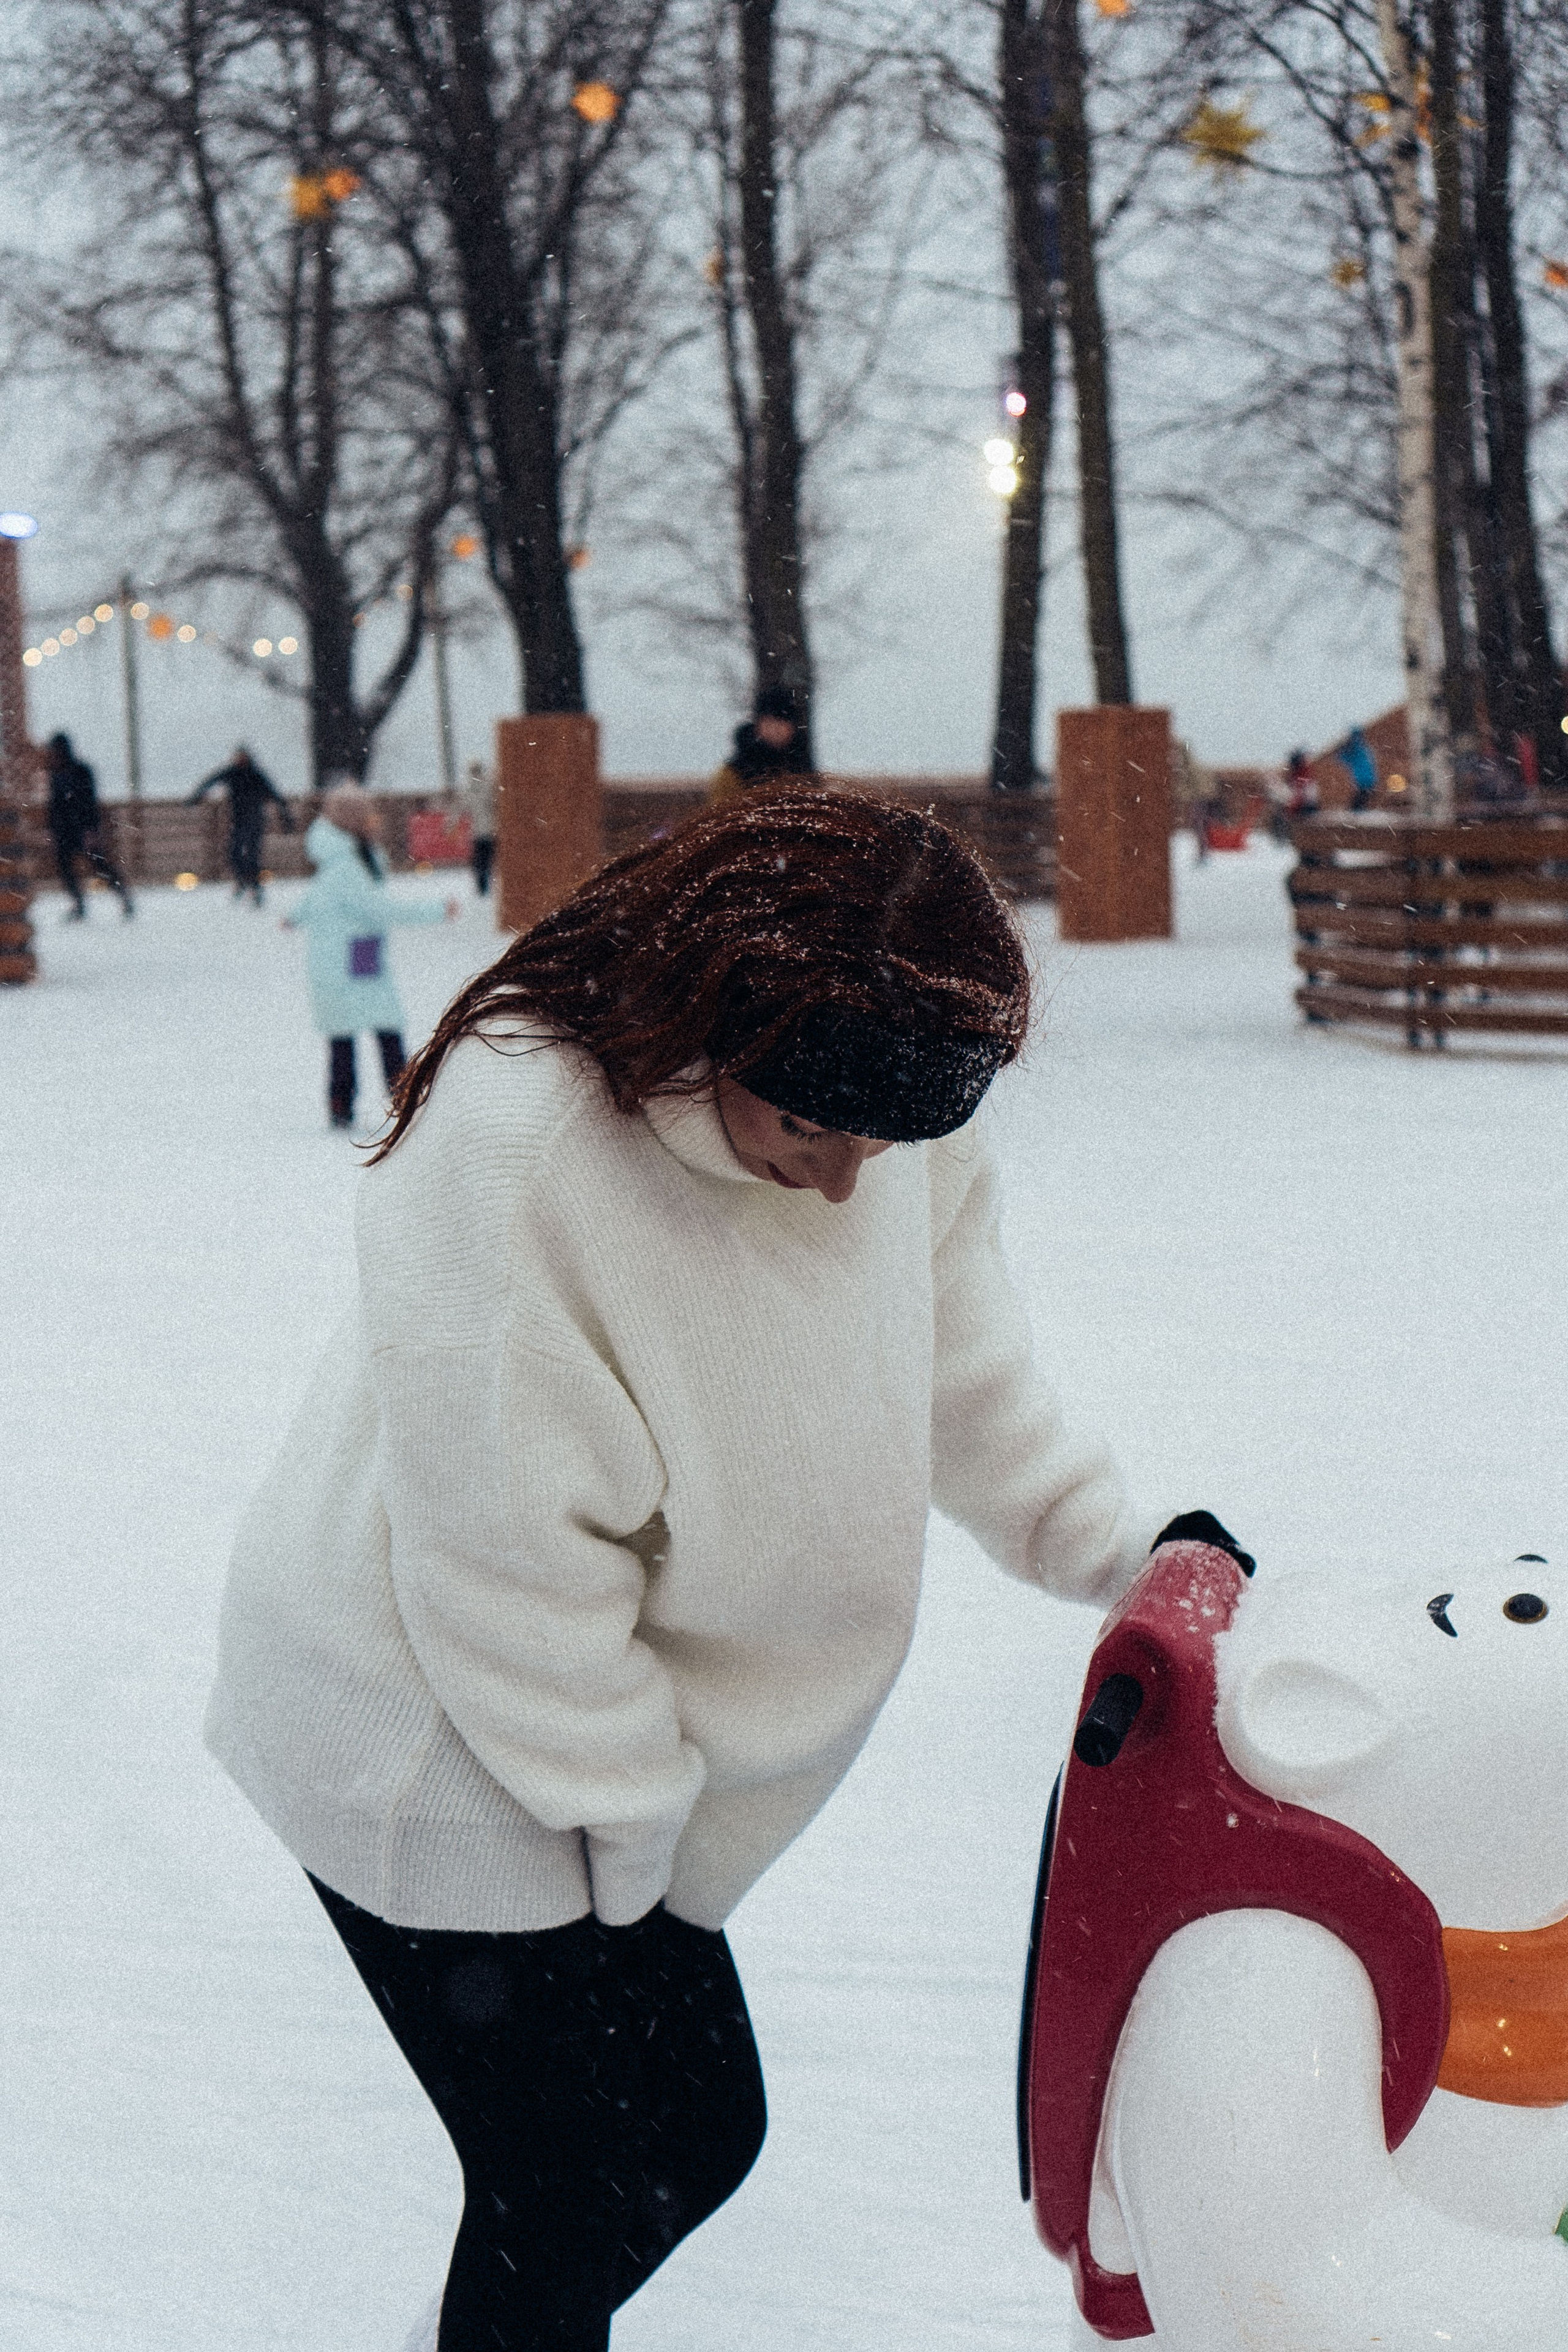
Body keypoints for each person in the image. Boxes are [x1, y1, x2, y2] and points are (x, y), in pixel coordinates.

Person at [205, 785, 1197, 2352]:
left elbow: (962, 1368)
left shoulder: (866, 1078)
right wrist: (628, 1838)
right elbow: (508, 1569)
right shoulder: (523, 1144)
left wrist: (1117, 1545)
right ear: (703, 1021)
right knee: (590, 2171)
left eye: (887, 1136)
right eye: (806, 1127)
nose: (844, 1182)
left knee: (661, 2144)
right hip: (423, 1724)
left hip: (603, 1738)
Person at [281, 783, 458, 1129]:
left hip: (355, 958)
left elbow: (317, 897)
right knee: (375, 1029)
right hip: (345, 962)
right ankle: (396, 1097)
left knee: (362, 1030)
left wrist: (296, 915)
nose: (375, 819)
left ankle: (354, 1101)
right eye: (368, 814)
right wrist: (435, 910)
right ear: (353, 822)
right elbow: (378, 909)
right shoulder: (347, 865)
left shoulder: (348, 859)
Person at [187, 745, 294, 903]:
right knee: (233, 854)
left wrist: (285, 817)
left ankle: (255, 889)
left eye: (242, 756)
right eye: (238, 757)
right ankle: (243, 882)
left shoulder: (256, 774)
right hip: (238, 820)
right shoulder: (232, 773)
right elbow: (211, 781)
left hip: (255, 820)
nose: (240, 759)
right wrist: (195, 797)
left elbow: (275, 794)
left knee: (252, 855)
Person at [44, 733, 133, 921]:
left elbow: (89, 803)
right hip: (64, 831)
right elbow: (55, 806)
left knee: (99, 865)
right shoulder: (56, 775)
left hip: (82, 829)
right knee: (65, 868)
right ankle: (78, 904)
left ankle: (124, 896)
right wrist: (52, 829)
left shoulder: (81, 771)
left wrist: (91, 830)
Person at [707, 684, 815, 804]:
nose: (776, 729)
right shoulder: (734, 773)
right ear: (758, 725)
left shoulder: (803, 768)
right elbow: (720, 816)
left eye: (783, 722)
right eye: (770, 722)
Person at [460, 757, 496, 896]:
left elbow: (461, 809)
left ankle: (483, 887)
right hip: (485, 832)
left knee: (481, 862)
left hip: (482, 832)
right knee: (484, 862)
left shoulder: (472, 790)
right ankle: (484, 887)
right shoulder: (485, 788)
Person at [1338, 725, 1378, 813]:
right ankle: (1361, 815)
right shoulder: (1364, 747)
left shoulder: (1355, 748)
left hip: (1363, 781)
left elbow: (1343, 759)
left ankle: (1359, 818)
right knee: (1360, 803)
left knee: (1356, 806)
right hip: (1370, 781)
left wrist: (1339, 752)